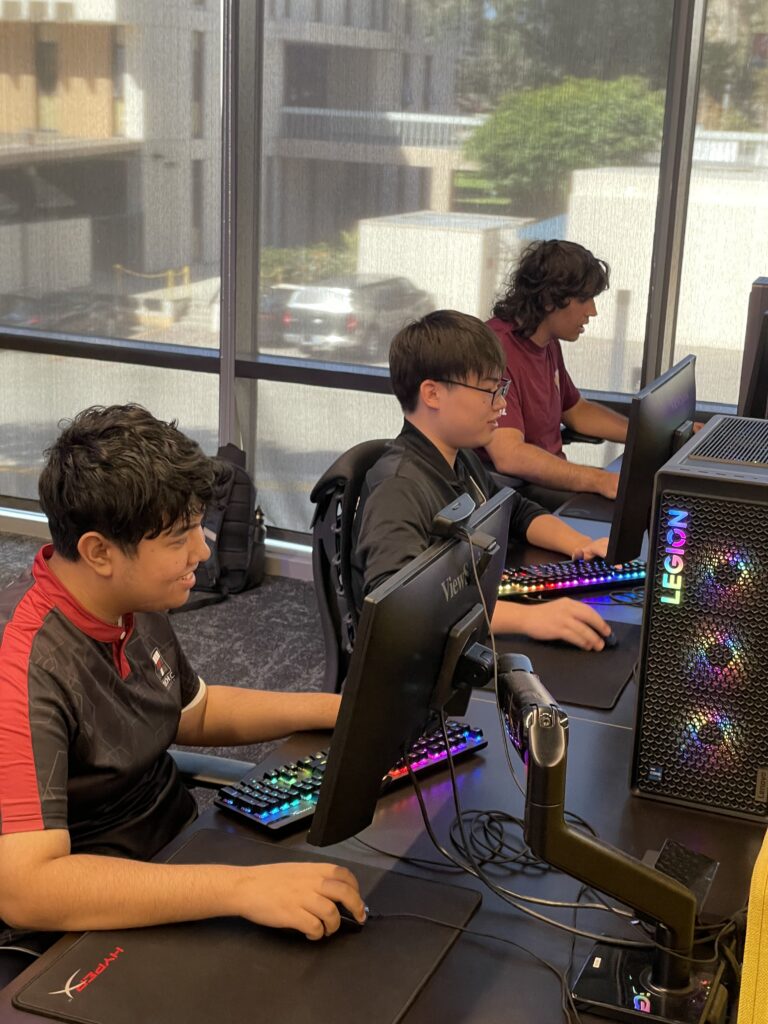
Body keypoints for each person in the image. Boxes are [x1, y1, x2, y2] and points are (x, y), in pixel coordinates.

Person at [0, 405, 365, 966]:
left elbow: (193, 709)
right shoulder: (24, 664)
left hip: (180, 850)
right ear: (99, 551)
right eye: (178, 538)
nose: (203, 550)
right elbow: (28, 889)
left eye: (198, 526)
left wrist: (337, 708)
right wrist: (239, 889)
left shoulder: (131, 599)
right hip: (95, 911)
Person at [351, 310, 613, 650]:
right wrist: (529, 619)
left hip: (466, 623)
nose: (501, 404)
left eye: (500, 388)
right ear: (432, 394)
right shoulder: (399, 489)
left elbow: (514, 510)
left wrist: (579, 544)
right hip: (427, 659)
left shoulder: (462, 460)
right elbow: (400, 610)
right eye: (489, 391)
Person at [485, 239, 629, 507]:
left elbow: (575, 410)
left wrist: (644, 436)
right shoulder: (495, 351)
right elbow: (509, 455)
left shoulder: (547, 341)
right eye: (584, 299)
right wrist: (598, 479)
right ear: (550, 299)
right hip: (520, 496)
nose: (592, 311)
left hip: (545, 488)